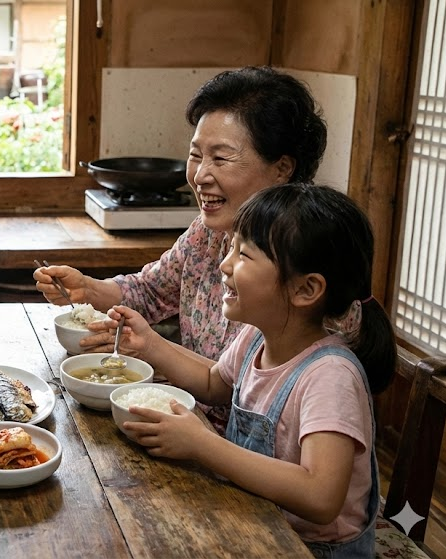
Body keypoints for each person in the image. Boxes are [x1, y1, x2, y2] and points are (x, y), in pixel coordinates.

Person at [34, 65, 328, 432]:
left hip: (242, 455)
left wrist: (153, 348)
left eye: (220, 158)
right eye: (195, 155)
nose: (200, 176)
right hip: (186, 423)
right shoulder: (207, 234)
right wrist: (87, 289)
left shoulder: (310, 265)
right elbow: (150, 291)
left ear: (282, 168)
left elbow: (256, 405)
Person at [111, 183, 395, 557]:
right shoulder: (256, 337)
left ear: (306, 289)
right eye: (231, 249)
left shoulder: (330, 377)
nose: (224, 265)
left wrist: (203, 445)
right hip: (256, 520)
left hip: (308, 549)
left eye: (244, 254)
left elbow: (320, 495)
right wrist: (150, 344)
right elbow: (215, 383)